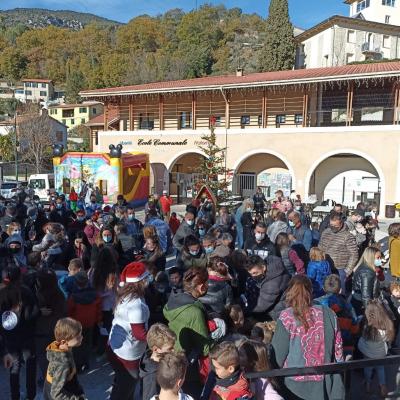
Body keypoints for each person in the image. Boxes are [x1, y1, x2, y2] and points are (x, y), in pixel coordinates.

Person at [272, 275, 344, 400]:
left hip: (292, 384)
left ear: (289, 292)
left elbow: (277, 356)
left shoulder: (286, 317)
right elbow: (338, 353)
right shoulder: (329, 313)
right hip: (324, 382)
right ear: (311, 291)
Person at [163, 266, 211, 397]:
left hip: (175, 357)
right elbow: (204, 348)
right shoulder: (194, 311)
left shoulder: (173, 301)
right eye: (207, 283)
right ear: (201, 287)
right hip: (191, 364)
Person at [108, 262, 150, 400]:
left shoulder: (124, 294)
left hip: (115, 348)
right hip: (128, 355)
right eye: (147, 277)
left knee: (121, 382)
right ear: (141, 281)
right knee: (125, 388)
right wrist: (157, 340)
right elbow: (139, 333)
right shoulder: (136, 304)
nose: (149, 280)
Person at [0, 267, 39, 400]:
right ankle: (31, 395)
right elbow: (33, 314)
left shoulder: (2, 293)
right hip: (27, 335)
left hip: (10, 337)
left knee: (14, 366)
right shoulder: (26, 291)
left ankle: (15, 396)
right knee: (30, 365)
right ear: (19, 277)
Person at [34, 269, 66, 382]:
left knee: (43, 357)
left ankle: (47, 378)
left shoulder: (37, 295)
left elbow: (32, 314)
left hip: (41, 332)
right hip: (56, 331)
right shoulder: (59, 294)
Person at [315, 275, 359, 357]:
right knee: (345, 368)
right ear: (340, 290)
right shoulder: (348, 306)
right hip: (345, 343)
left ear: (323, 288)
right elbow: (354, 327)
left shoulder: (316, 304)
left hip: (323, 345)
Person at [358, 300, 395, 397]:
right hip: (380, 353)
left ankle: (368, 384)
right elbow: (387, 339)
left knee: (368, 368)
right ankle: (382, 385)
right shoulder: (386, 326)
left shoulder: (365, 326)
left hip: (367, 352)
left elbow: (361, 336)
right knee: (380, 368)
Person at [67, 270, 102, 371]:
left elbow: (69, 311)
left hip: (76, 325)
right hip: (90, 323)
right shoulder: (96, 295)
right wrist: (98, 320)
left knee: (77, 345)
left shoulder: (73, 297)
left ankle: (77, 366)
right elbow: (98, 310)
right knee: (87, 343)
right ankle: (85, 364)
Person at [44, 317, 84, 400]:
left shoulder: (59, 346)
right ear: (66, 339)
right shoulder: (63, 363)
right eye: (78, 336)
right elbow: (56, 394)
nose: (82, 337)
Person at [318, 211, 359, 294]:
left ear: (341, 224)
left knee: (339, 295)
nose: (333, 228)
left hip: (340, 270)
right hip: (325, 267)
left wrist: (347, 271)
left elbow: (354, 254)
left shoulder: (347, 236)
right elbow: (320, 247)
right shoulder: (326, 232)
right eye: (331, 225)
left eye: (335, 226)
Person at [245, 255, 290, 321]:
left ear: (263, 267)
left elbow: (261, 305)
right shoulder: (271, 262)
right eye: (251, 274)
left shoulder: (272, 285)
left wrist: (245, 309)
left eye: (255, 273)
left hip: (278, 311)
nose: (253, 276)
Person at [138, 323, 176, 400]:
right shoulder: (152, 377)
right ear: (156, 349)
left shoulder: (150, 355)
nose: (174, 351)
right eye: (170, 348)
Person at [351, 246, 382, 316]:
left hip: (358, 301)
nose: (380, 260)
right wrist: (371, 314)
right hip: (362, 305)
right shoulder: (367, 273)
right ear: (371, 258)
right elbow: (366, 297)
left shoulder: (364, 267)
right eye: (378, 258)